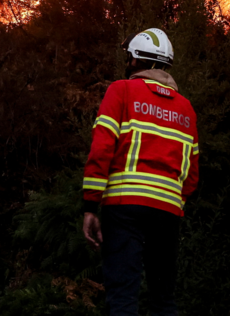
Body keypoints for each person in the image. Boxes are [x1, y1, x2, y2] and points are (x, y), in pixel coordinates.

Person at [82, 28, 199, 316]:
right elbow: (192, 174)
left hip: (124, 208)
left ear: (135, 59)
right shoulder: (186, 110)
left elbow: (101, 151)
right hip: (168, 213)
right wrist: (174, 202)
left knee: (123, 298)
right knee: (163, 300)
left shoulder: (121, 91)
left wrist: (90, 205)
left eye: (129, 57)